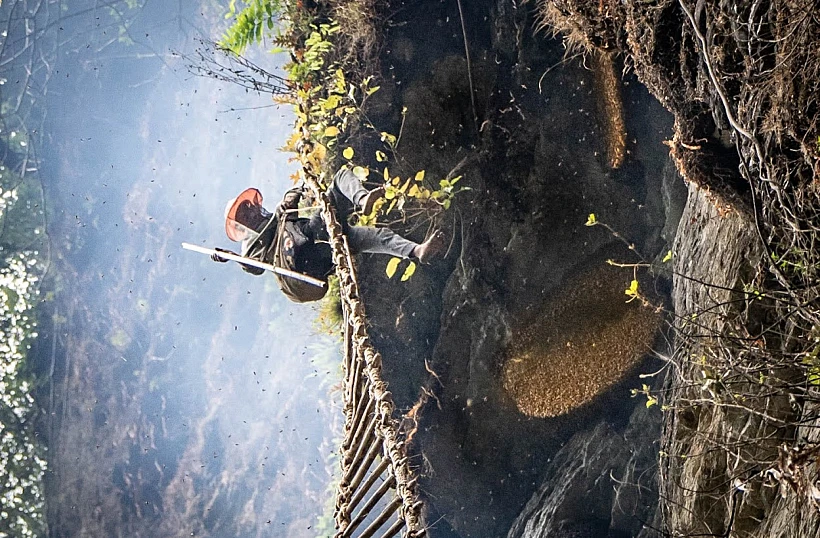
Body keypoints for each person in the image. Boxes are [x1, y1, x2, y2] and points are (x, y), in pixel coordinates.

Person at [212, 167, 444, 302]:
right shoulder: (252, 248)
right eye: (244, 215)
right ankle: (362, 200)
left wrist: (292, 197)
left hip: (323, 253)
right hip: (306, 249)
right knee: (340, 177)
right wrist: (230, 257)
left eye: (249, 208)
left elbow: (291, 203)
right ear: (240, 225)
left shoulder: (278, 216)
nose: (251, 213)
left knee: (375, 236)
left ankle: (416, 250)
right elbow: (254, 267)